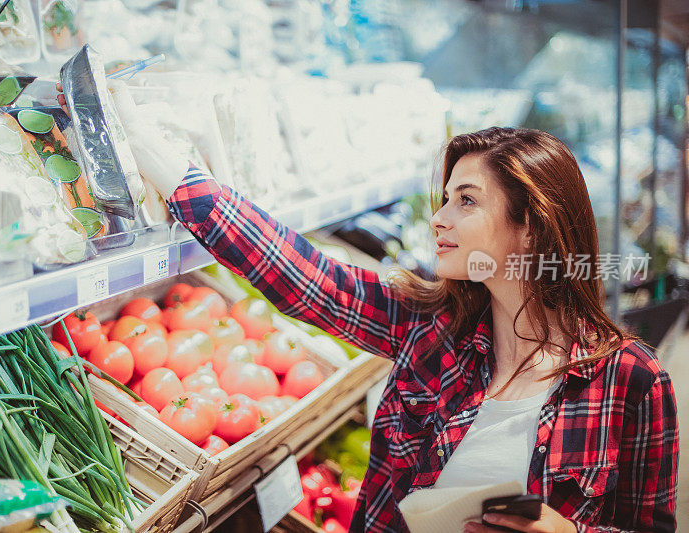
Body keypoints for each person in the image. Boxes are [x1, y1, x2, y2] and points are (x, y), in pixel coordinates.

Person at [59, 87, 678, 533]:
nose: (438, 219)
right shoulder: (429, 327)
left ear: (530, 228)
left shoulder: (633, 385)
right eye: (443, 198)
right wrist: (173, 174)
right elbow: (305, 276)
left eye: (466, 201)